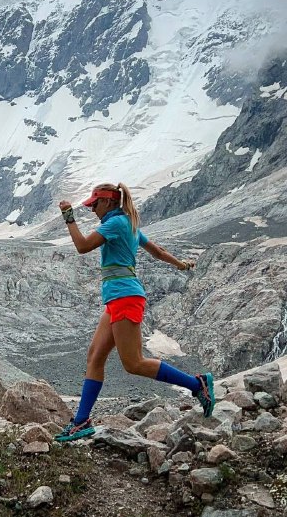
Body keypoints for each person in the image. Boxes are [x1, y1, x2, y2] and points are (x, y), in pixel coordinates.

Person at [54, 182, 214, 442]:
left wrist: (68, 216)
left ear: (108, 202)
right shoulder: (130, 224)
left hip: (125, 298)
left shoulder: (115, 224)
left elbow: (82, 246)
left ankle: (198, 385)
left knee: (134, 363)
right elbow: (158, 252)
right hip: (118, 298)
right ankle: (81, 421)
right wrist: (182, 265)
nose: (92, 209)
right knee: (95, 356)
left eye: (94, 204)